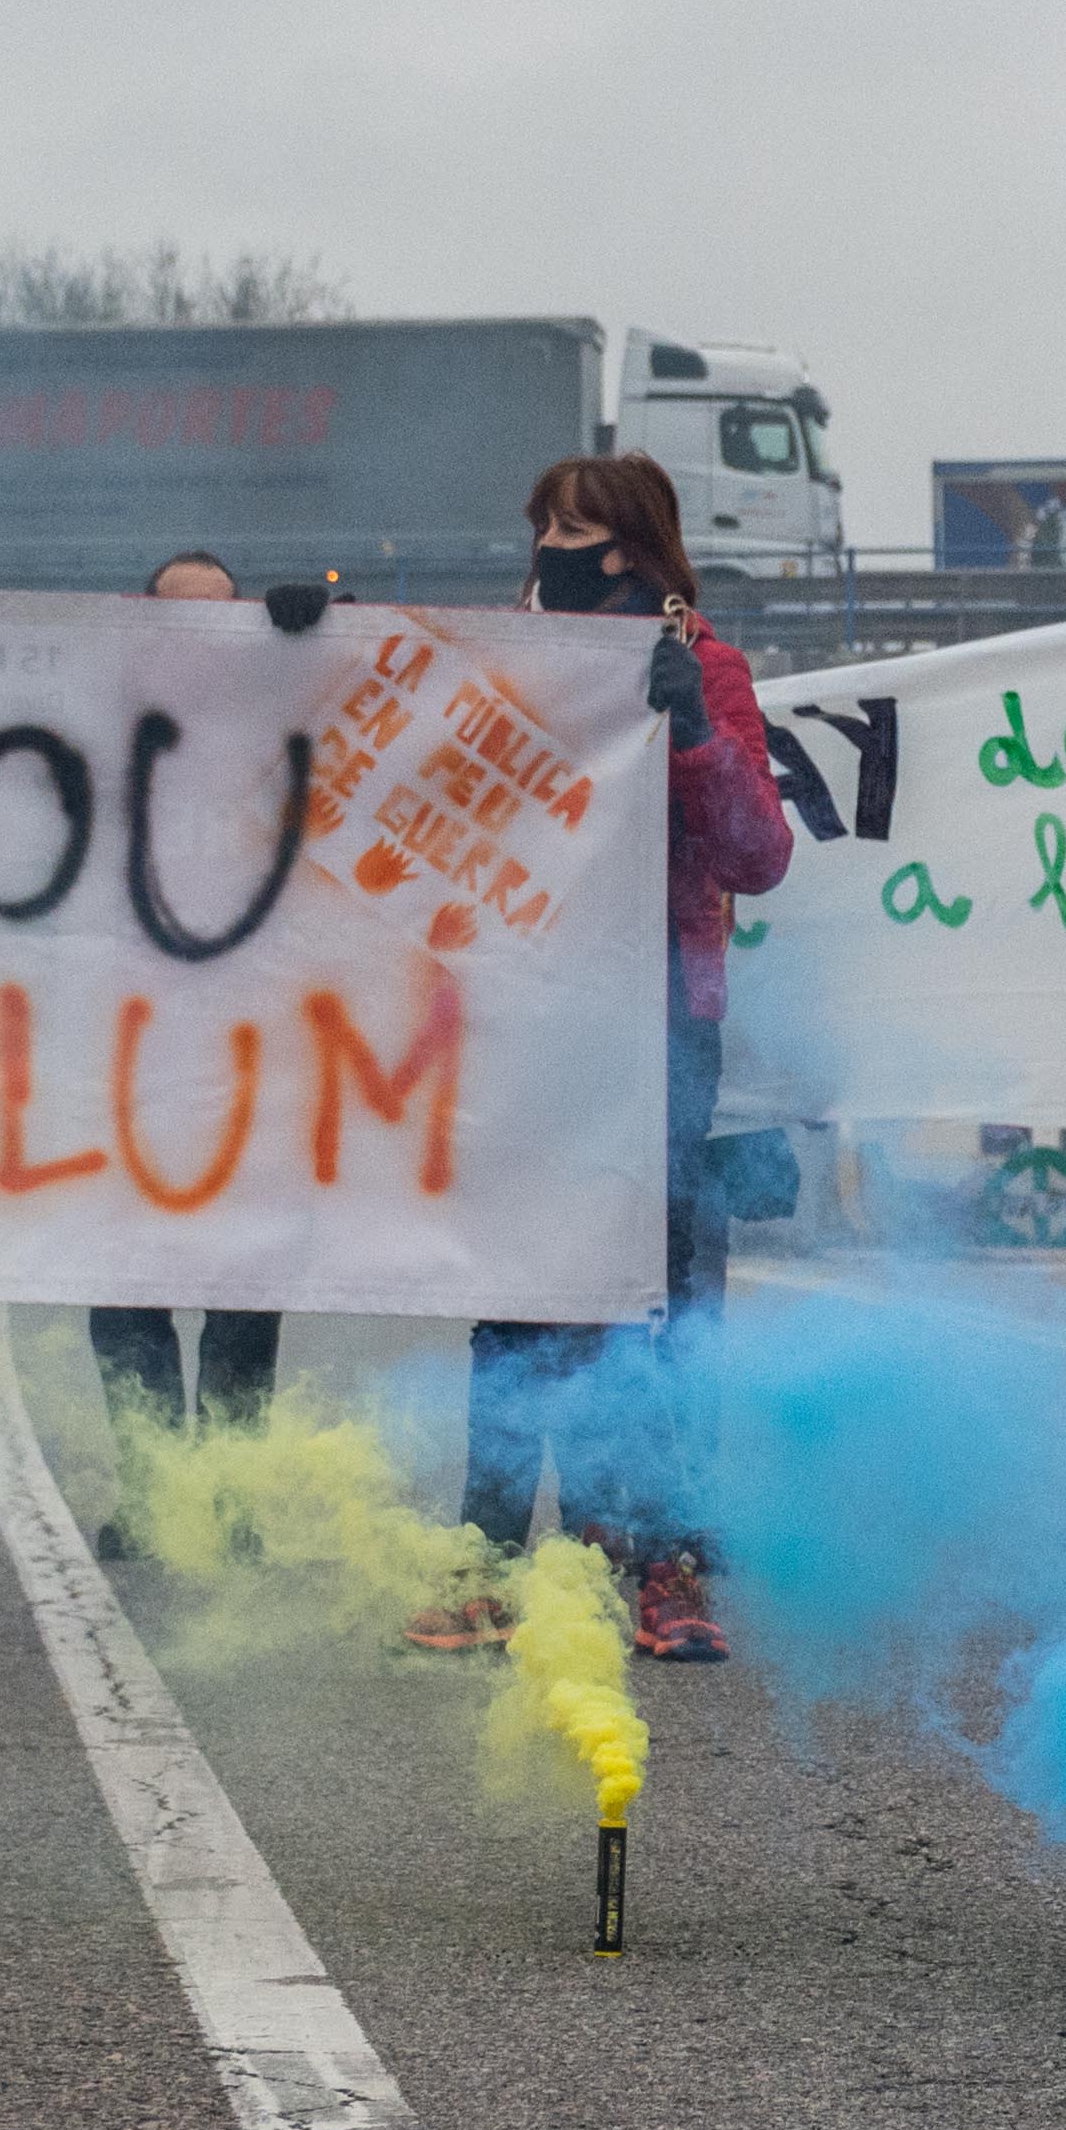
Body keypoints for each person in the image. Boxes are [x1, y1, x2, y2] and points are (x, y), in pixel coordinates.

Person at [421, 455, 793, 1664]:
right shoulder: (500, 661)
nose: (547, 550)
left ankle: (659, 1560)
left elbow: (759, 854)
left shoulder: (707, 664)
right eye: (539, 528)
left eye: (570, 530)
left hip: (656, 1024)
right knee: (517, 1289)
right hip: (528, 1017)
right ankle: (485, 1557)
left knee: (662, 1297)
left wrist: (690, 724)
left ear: (630, 548)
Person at [91, 547, 283, 1549]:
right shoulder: (98, 716)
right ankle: (158, 1486)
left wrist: (326, 630)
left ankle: (231, 1495)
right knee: (126, 1284)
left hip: (252, 1048)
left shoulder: (282, 713)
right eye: (180, 617)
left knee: (245, 1289)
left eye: (225, 614)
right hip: (130, 1046)